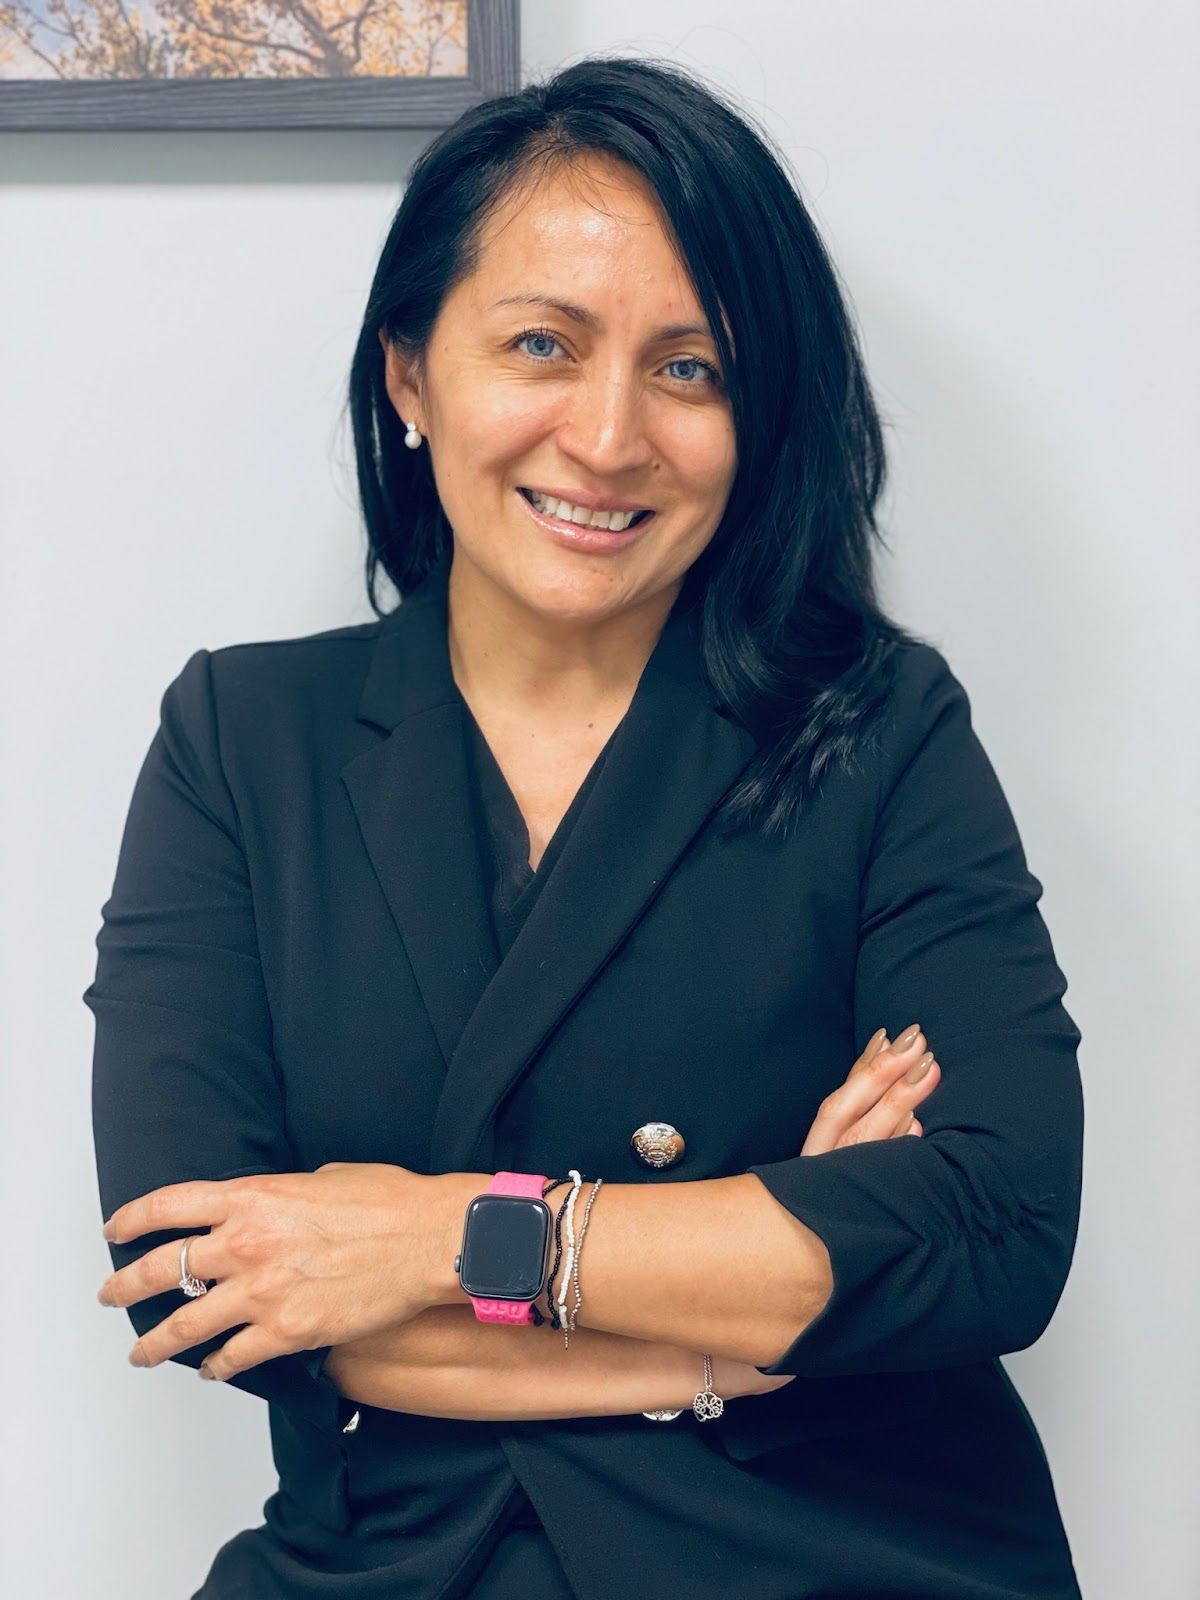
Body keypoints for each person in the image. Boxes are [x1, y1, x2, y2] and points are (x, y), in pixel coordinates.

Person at [85, 54, 1085, 1600]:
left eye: (691, 369)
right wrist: (733, 1325)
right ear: (411, 372)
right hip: (393, 1562)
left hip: (837, 1551)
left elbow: (994, 1226)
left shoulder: (879, 727)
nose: (610, 438)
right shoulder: (242, 740)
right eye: (543, 344)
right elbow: (201, 1279)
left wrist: (434, 1241)